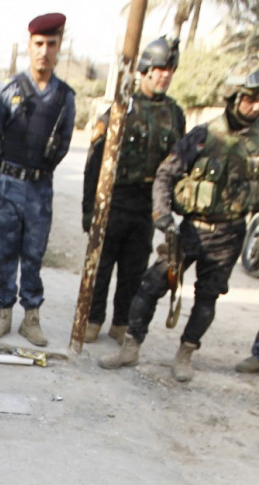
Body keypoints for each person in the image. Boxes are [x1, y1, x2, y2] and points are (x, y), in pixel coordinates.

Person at [100, 60, 259, 382]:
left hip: (229, 236)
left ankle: (186, 353)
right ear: (233, 96)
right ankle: (131, 346)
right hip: (189, 232)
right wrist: (162, 216)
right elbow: (166, 175)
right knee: (151, 285)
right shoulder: (203, 136)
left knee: (207, 298)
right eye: (249, 98)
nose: (255, 106)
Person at [82, 37, 184, 344]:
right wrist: (89, 208)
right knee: (101, 267)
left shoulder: (175, 114)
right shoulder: (121, 109)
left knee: (133, 270)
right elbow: (94, 163)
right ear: (145, 70)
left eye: (170, 69)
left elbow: (180, 164)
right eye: (160, 68)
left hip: (147, 206)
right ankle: (93, 319)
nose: (165, 74)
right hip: (114, 203)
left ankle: (121, 322)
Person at [0, 12, 75, 347]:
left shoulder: (65, 98)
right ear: (29, 45)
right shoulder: (8, 91)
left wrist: (39, 172)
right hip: (8, 184)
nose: (44, 51)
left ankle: (31, 317)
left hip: (40, 187)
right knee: (5, 251)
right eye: (39, 44)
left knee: (34, 254)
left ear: (59, 46)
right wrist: (1, 177)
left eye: (51, 44)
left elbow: (63, 143)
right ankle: (4, 312)